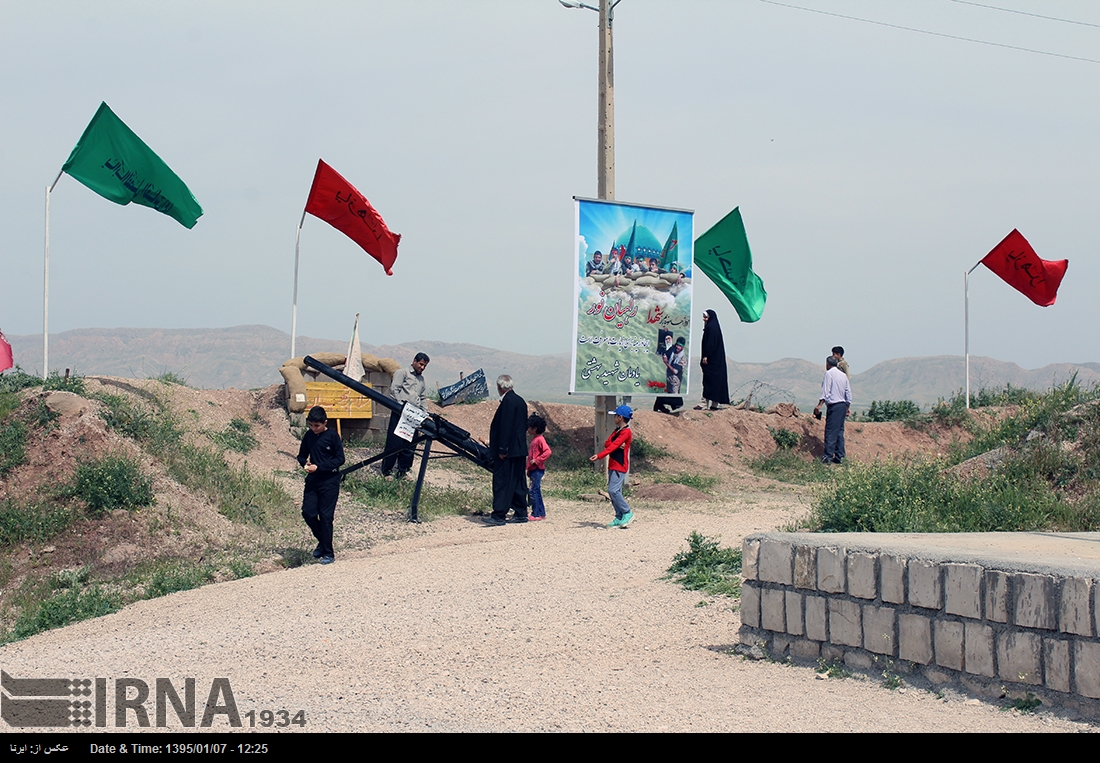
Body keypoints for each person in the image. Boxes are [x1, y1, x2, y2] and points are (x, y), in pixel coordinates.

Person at [297, 405, 345, 564]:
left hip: (329, 481)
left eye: (316, 425)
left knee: (325, 517)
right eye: (310, 425)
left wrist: (320, 467)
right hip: (313, 480)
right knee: (308, 512)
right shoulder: (309, 436)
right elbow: (301, 455)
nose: (313, 428)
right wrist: (305, 464)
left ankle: (328, 553)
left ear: (325, 422)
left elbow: (340, 459)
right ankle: (323, 542)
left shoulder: (332, 436)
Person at [484, 375, 529, 526]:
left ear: (500, 387)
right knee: (517, 481)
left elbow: (505, 427)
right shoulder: (520, 401)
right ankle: (521, 512)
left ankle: (499, 515)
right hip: (519, 450)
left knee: (502, 481)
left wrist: (502, 449)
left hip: (508, 452)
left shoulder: (508, 402)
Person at [381, 352, 430, 479]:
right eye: (421, 364)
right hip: (400, 414)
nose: (422, 368)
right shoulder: (402, 373)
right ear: (414, 361)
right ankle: (387, 471)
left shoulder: (421, 380)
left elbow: (422, 397)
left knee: (410, 443)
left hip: (414, 416)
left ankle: (403, 470)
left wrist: (424, 413)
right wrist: (400, 407)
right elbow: (394, 390)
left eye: (425, 366)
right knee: (394, 442)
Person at [590, 405, 634, 528]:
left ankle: (627, 512)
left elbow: (613, 446)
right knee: (615, 491)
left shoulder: (626, 432)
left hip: (620, 465)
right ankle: (619, 516)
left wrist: (599, 456)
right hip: (613, 464)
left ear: (620, 417)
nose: (614, 417)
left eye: (615, 415)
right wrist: (614, 444)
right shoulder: (617, 431)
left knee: (612, 491)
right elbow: (608, 443)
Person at [814, 356, 852, 464]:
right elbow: (848, 392)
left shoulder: (829, 373)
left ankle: (827, 457)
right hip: (842, 405)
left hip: (834, 406)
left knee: (830, 432)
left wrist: (819, 405)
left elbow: (826, 391)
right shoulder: (843, 375)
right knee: (839, 431)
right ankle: (840, 456)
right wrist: (847, 407)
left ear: (827, 364)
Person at [697, 310, 730, 410]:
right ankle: (714, 404)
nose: (704, 319)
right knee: (715, 381)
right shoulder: (714, 327)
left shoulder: (711, 328)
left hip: (711, 361)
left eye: (706, 317)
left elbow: (710, 344)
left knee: (708, 381)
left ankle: (704, 404)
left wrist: (706, 356)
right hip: (716, 361)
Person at [526, 414, 551, 521]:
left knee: (533, 491)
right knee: (536, 490)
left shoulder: (539, 440)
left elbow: (548, 451)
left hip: (537, 469)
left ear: (534, 428)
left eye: (529, 427)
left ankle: (536, 514)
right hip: (533, 470)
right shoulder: (535, 439)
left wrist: (537, 460)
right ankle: (541, 513)